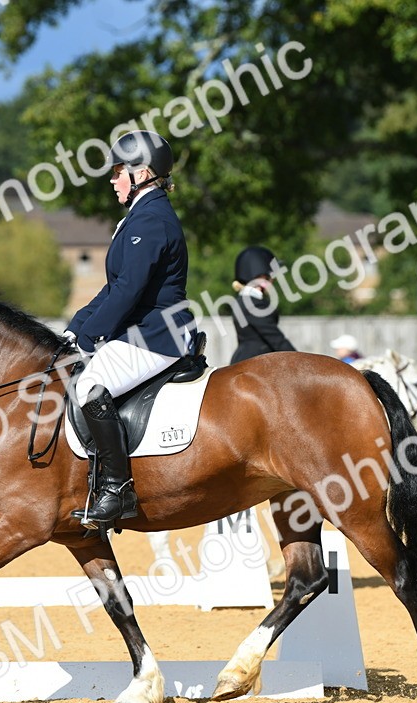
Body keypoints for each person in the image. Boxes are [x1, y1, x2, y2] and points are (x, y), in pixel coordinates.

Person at [63, 130, 196, 528]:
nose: (112, 179)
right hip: (144, 331)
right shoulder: (139, 216)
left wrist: (90, 339)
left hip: (158, 335)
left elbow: (129, 289)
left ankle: (117, 489)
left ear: (141, 173)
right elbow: (112, 289)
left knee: (89, 386)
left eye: (118, 171)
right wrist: (75, 330)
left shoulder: (152, 219)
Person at [229, 245, 297, 364]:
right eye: (271, 276)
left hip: (248, 359)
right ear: (260, 275)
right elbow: (275, 338)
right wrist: (299, 360)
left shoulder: (243, 299)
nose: (273, 280)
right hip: (255, 363)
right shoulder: (253, 303)